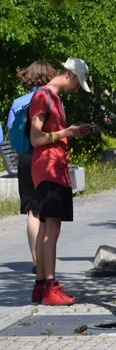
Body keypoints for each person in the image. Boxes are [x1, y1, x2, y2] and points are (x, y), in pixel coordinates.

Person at [29, 58, 92, 306]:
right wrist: (67, 133)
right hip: (48, 169)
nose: (78, 87)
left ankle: (41, 285)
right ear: (69, 75)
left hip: (54, 168)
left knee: (47, 227)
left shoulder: (54, 99)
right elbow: (36, 138)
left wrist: (71, 131)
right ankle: (50, 287)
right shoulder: (42, 98)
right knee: (51, 230)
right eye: (78, 82)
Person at [6, 61, 57, 278]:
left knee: (31, 209)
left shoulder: (18, 103)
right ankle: (46, 258)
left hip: (26, 158)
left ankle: (36, 260)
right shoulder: (51, 100)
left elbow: (11, 133)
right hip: (45, 157)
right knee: (48, 210)